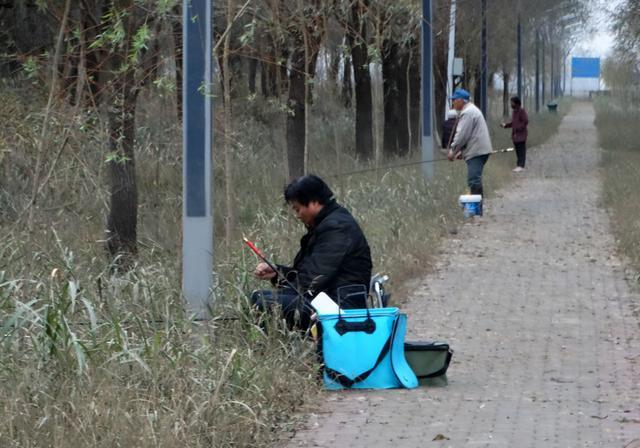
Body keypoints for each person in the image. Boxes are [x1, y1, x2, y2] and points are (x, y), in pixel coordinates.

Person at [251, 175, 373, 330]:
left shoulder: (337, 228)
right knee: (258, 297)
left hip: (340, 307)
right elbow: (308, 274)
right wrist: (277, 273)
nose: (297, 215)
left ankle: (275, 351)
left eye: (298, 209)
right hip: (326, 297)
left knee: (264, 304)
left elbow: (312, 280)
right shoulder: (327, 224)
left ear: (314, 202)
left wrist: (283, 288)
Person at [447, 88, 493, 215]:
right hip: (478, 149)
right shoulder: (472, 110)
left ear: (462, 100)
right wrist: (462, 152)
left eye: (455, 100)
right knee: (475, 179)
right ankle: (477, 208)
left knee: (474, 180)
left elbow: (462, 135)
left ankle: (476, 210)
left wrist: (453, 150)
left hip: (477, 151)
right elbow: (471, 134)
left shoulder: (467, 112)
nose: (453, 103)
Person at [501, 96, 529, 173]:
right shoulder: (514, 112)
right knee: (517, 150)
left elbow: (525, 121)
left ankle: (521, 166)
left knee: (521, 150)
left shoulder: (521, 111)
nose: (511, 104)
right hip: (515, 136)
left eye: (512, 103)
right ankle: (519, 165)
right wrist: (505, 125)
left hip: (521, 135)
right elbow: (513, 123)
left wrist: (519, 128)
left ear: (516, 103)